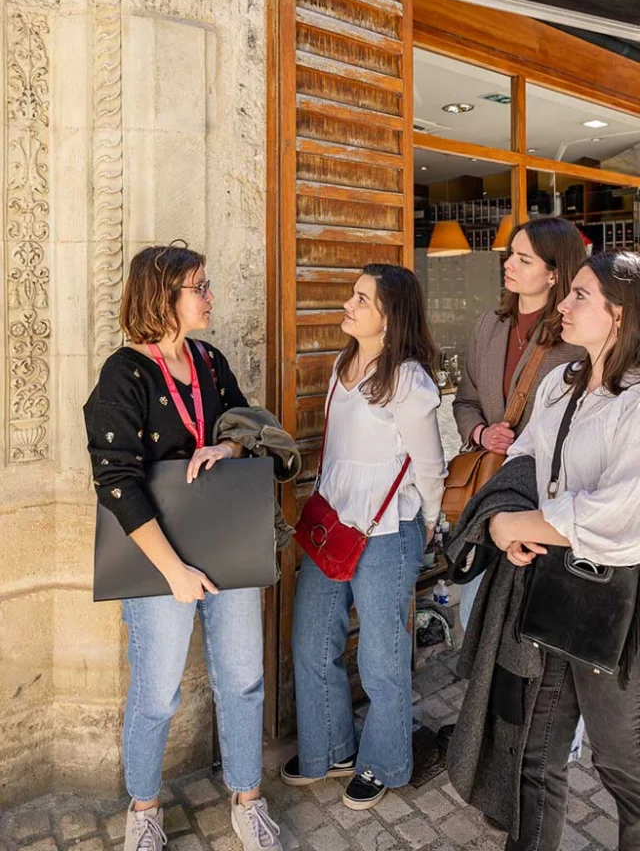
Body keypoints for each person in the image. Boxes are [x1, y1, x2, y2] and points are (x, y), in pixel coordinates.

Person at [84, 244, 283, 851]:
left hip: (227, 548)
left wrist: (228, 449)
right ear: (162, 297)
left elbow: (245, 427)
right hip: (158, 563)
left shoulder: (210, 360)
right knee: (156, 690)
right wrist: (174, 572)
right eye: (199, 286)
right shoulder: (124, 373)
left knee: (244, 678)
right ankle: (144, 809)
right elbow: (115, 481)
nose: (209, 296)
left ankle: (248, 799)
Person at [451, 250, 640, 850]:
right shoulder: (562, 382)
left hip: (619, 601)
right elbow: (529, 455)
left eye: (579, 295)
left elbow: (620, 513)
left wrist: (519, 524)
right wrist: (509, 519)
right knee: (533, 756)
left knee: (622, 770)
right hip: (551, 584)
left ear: (620, 315)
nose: (563, 305)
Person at [280, 263, 447, 809]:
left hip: (387, 533)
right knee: (310, 641)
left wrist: (429, 521)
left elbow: (430, 466)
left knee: (380, 656)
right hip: (333, 527)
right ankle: (330, 749)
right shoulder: (342, 364)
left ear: (389, 316)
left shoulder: (409, 380)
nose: (348, 305)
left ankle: (385, 762)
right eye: (352, 295)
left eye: (362, 299)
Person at [452, 216, 586, 629]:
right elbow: (465, 401)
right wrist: (480, 432)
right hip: (491, 489)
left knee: (529, 621)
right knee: (472, 611)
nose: (508, 264)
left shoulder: (578, 337)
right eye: (510, 255)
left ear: (554, 274)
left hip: (550, 500)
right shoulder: (490, 324)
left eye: (523, 259)